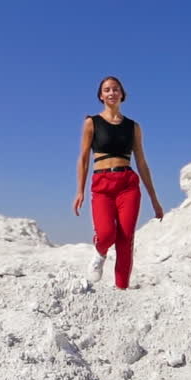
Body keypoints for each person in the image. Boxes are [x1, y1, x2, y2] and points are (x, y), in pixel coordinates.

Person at [73, 76, 163, 289]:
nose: (112, 92)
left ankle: (122, 287)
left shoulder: (133, 127)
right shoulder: (91, 123)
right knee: (106, 234)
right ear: (101, 96)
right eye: (107, 90)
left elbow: (141, 162)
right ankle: (100, 251)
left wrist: (154, 199)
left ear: (122, 94)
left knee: (125, 238)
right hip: (102, 184)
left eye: (115, 89)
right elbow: (83, 158)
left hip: (127, 184)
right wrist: (80, 191)